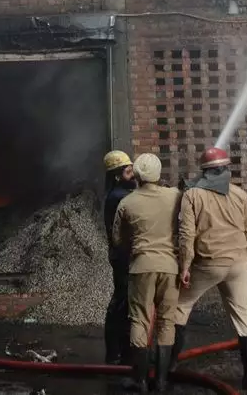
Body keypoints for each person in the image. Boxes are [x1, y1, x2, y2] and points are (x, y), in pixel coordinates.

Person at [171, 147, 247, 391]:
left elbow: (187, 235)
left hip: (209, 263)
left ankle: (169, 368)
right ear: (226, 168)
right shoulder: (240, 194)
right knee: (243, 317)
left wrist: (184, 267)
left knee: (180, 306)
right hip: (239, 262)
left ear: (205, 171)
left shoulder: (192, 195)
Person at [112, 153, 181, 393]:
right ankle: (161, 382)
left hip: (141, 267)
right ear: (159, 174)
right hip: (171, 268)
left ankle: (139, 381)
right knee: (166, 322)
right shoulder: (175, 196)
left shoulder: (127, 203)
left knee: (140, 320)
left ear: (138, 176)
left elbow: (118, 240)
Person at [102, 150, 137, 365]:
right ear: (116, 175)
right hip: (123, 256)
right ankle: (117, 354)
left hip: (122, 255)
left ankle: (119, 352)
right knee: (122, 302)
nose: (132, 174)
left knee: (124, 302)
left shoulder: (120, 193)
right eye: (128, 171)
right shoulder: (119, 197)